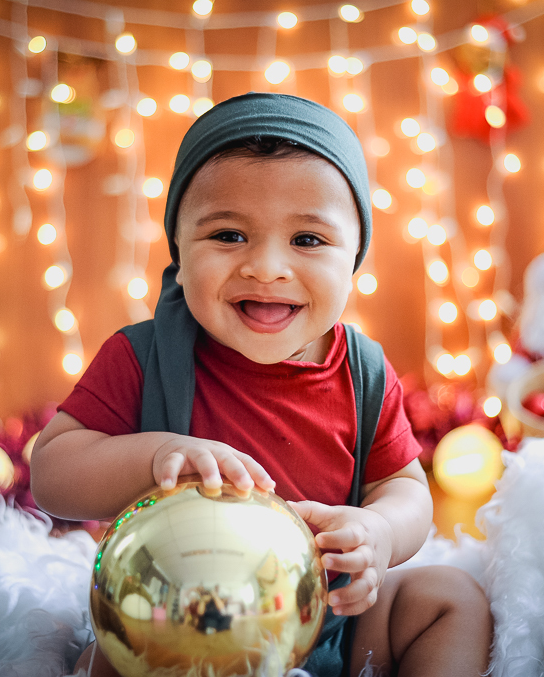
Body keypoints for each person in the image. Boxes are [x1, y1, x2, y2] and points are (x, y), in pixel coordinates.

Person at [30, 92, 492, 677]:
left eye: (307, 240)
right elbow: (52, 474)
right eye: (228, 235)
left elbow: (405, 489)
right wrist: (156, 455)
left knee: (451, 600)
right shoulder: (141, 356)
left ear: (353, 258)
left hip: (334, 619)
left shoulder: (363, 371)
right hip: (177, 628)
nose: (266, 267)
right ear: (179, 247)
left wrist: (377, 530)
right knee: (110, 660)